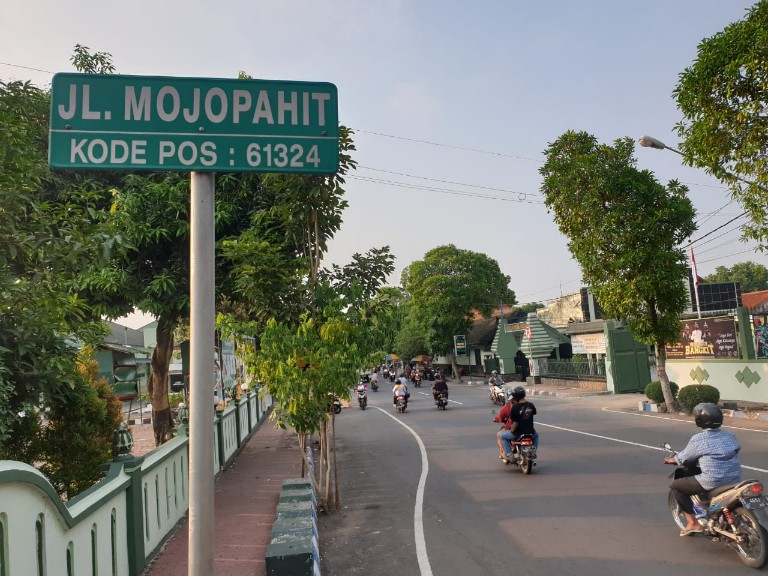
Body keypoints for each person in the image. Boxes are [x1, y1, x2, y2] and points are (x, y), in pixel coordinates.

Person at [664, 403, 741, 537]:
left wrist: (672, 459)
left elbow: (684, 457)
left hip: (712, 480)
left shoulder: (700, 439)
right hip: (734, 478)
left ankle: (693, 523)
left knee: (676, 486)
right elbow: (736, 450)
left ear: (699, 420)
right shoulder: (729, 435)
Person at [500, 386, 537, 462]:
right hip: (530, 432)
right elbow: (534, 413)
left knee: (503, 436)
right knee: (537, 436)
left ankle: (509, 455)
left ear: (515, 397)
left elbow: (512, 419)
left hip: (518, 433)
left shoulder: (515, 407)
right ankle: (533, 451)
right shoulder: (531, 405)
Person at [493, 389, 517, 459]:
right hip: (527, 430)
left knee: (500, 435)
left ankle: (507, 454)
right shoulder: (525, 405)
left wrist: (496, 419)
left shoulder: (508, 407)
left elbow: (500, 416)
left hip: (514, 430)